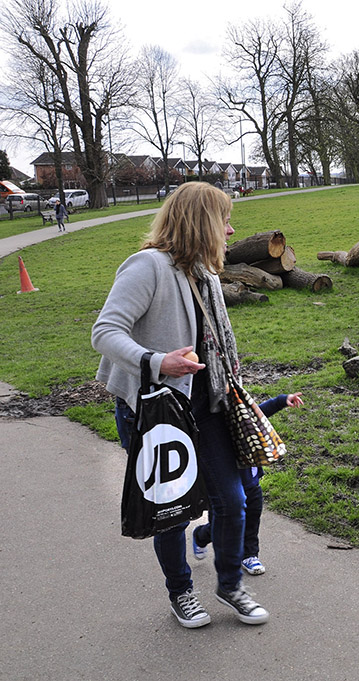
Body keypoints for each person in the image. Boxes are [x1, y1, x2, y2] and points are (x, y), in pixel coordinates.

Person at [92, 181, 270, 629]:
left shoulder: (204, 274)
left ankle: (230, 586)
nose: (231, 231)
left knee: (232, 500)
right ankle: (181, 593)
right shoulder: (146, 266)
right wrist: (156, 361)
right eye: (225, 220)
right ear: (202, 222)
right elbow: (105, 332)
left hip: (206, 406)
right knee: (170, 513)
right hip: (155, 412)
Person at [192, 392, 305, 575]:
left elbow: (259, 412)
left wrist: (282, 400)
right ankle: (201, 535)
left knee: (252, 519)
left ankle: (250, 555)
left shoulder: (241, 419)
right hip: (223, 487)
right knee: (221, 527)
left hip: (251, 482)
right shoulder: (209, 431)